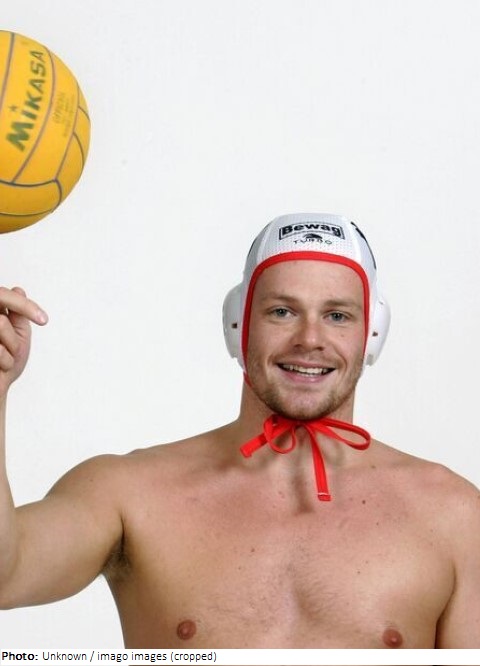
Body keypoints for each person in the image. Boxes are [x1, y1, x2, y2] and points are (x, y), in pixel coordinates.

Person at [0, 213, 479, 649]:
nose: (310, 339)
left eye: (337, 316)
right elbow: (7, 576)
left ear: (371, 335)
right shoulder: (128, 493)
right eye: (282, 311)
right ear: (239, 324)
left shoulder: (454, 516)